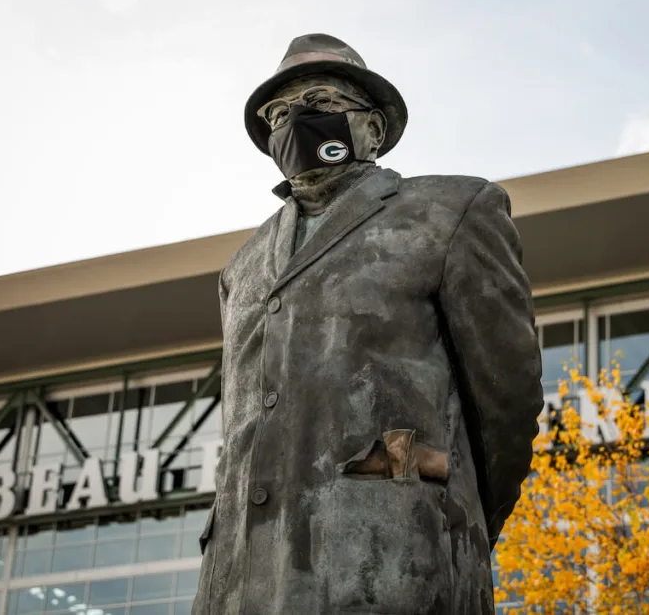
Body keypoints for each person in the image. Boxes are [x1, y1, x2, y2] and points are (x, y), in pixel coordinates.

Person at [192, 33, 544, 615]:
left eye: (322, 103)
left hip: (393, 562)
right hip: (242, 581)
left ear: (373, 130)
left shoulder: (451, 212)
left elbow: (506, 404)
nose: (296, 122)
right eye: (279, 113)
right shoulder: (242, 269)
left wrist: (452, 514)